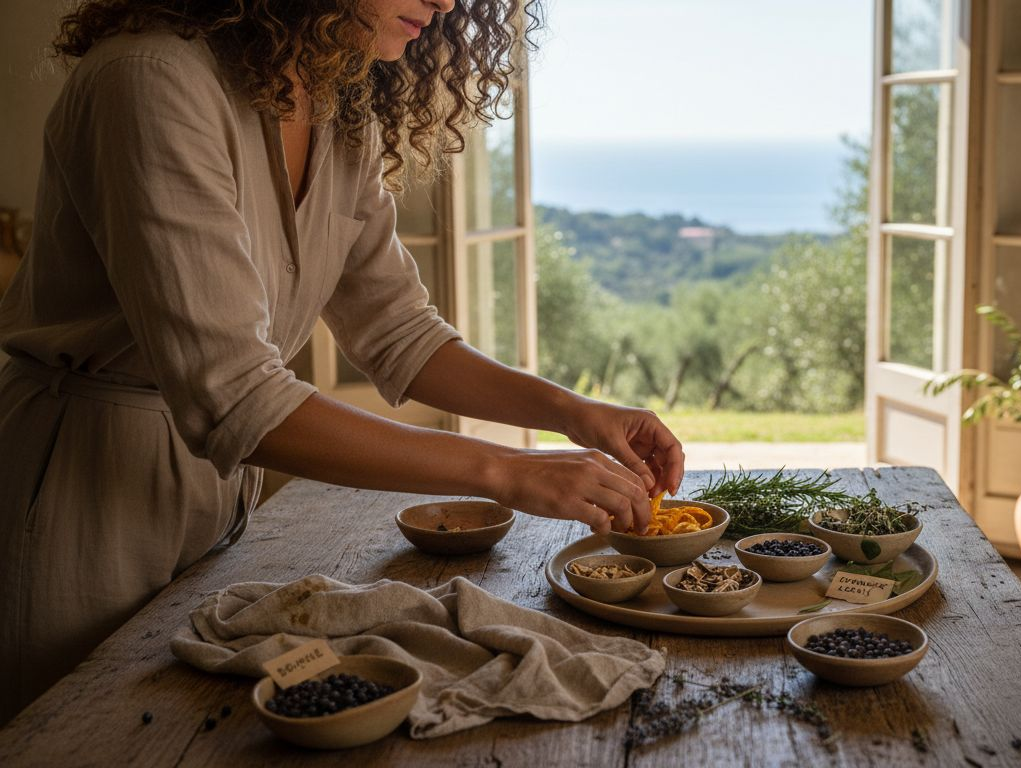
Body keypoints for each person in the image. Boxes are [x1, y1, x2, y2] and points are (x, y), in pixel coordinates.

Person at [0, 0, 684, 724]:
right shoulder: (151, 78)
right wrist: (509, 470)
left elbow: (400, 331)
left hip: (214, 495)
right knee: (78, 733)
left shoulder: (334, 105)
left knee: (185, 727)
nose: (447, 2)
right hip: (81, 491)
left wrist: (574, 413)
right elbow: (237, 397)